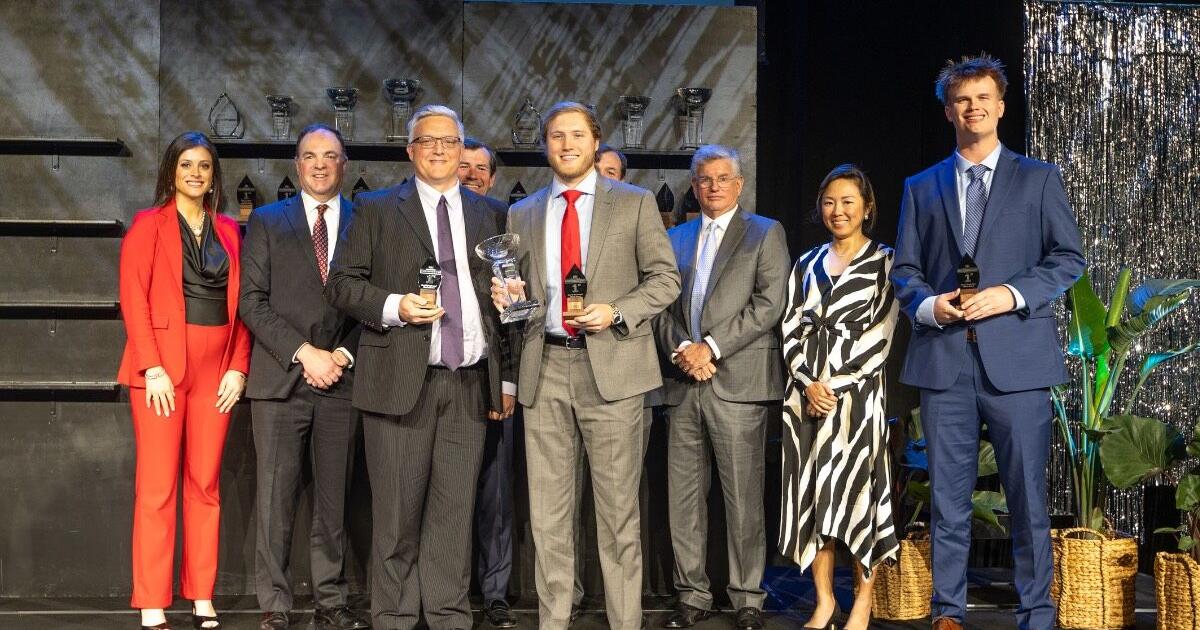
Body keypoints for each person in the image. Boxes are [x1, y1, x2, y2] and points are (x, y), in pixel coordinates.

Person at [891, 55, 1085, 630]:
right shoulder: (921, 186)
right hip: (945, 364)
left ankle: (1036, 614)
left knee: (1027, 502)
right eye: (962, 100)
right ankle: (947, 612)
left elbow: (1068, 258)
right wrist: (932, 306)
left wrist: (1010, 294)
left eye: (983, 98)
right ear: (948, 111)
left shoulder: (1038, 178)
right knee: (947, 504)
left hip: (1018, 363)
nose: (972, 108)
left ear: (1000, 107)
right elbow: (905, 271)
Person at [489, 101, 680, 630]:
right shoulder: (524, 212)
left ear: (596, 141)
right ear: (545, 145)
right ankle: (553, 621)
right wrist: (509, 299)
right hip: (545, 365)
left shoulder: (635, 203)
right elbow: (519, 296)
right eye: (556, 136)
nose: (567, 144)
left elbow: (666, 279)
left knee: (618, 516)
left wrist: (615, 310)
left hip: (614, 370)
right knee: (548, 517)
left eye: (576, 135)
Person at [325, 104, 515, 630]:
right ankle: (395, 617)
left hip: (469, 384)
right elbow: (342, 284)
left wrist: (506, 362)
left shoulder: (491, 213)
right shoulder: (376, 208)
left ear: (461, 149)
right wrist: (395, 306)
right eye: (427, 141)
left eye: (449, 141)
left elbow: (504, 300)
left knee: (454, 516)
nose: (438, 150)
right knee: (396, 517)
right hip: (398, 383)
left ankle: (449, 616)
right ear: (410, 151)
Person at [117, 131, 251, 630]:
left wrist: (238, 367)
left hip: (216, 369)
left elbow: (244, 305)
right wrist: (150, 366)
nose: (196, 173)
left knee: (205, 484)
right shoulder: (147, 226)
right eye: (186, 165)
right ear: (171, 172)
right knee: (157, 487)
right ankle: (152, 599)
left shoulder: (230, 230)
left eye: (204, 166)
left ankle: (201, 595)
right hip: (162, 371)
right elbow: (133, 298)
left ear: (214, 176)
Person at [238, 123, 369, 630]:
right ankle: (275, 604)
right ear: (297, 165)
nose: (319, 164)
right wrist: (304, 353)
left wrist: (340, 356)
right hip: (280, 380)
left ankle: (331, 601)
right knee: (275, 500)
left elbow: (373, 300)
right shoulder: (268, 220)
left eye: (329, 155)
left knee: (333, 501)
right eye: (310, 155)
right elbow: (252, 301)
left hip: (342, 381)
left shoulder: (366, 219)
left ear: (343, 164)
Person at [654, 145, 789, 630]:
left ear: (739, 184)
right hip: (683, 382)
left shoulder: (765, 232)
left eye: (722, 178)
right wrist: (682, 350)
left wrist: (710, 348)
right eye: (704, 179)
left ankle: (748, 597)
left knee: (743, 498)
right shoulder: (675, 237)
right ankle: (692, 594)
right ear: (694, 186)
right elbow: (660, 305)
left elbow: (769, 304)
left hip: (737, 382)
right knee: (684, 498)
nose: (713, 186)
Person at [779, 164, 899, 630]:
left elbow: (882, 333)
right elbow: (790, 326)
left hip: (857, 402)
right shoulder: (806, 262)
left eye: (848, 201)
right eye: (829, 202)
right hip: (805, 399)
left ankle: (863, 602)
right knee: (813, 498)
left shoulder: (886, 261)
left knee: (858, 497)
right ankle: (825, 601)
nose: (838, 210)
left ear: (866, 208)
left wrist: (834, 385)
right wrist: (808, 382)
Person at [456, 136, 521, 629]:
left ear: (493, 178)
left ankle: (495, 594)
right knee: (448, 495)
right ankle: (451, 594)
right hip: (442, 376)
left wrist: (509, 382)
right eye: (464, 166)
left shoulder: (505, 221)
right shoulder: (426, 219)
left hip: (493, 377)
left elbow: (516, 312)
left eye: (481, 169)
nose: (472, 174)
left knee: (496, 496)